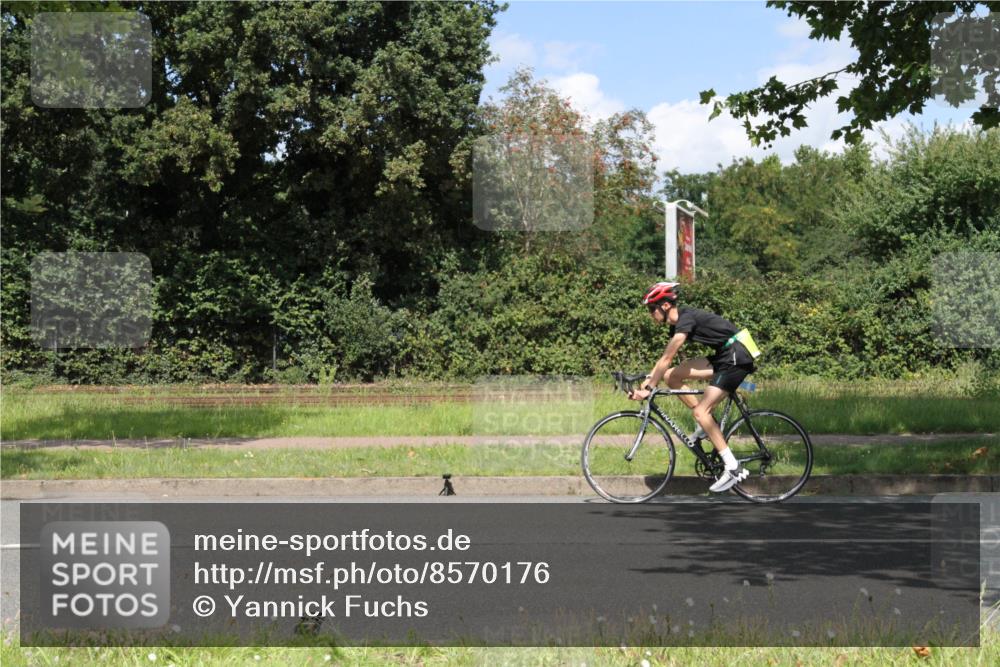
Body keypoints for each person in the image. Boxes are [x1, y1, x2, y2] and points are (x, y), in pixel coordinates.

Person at [628, 281, 756, 493]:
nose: (651, 314)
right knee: (672, 377)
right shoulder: (678, 324)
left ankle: (732, 466)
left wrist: (649, 388)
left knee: (699, 411)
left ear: (665, 306)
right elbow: (665, 364)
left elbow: (667, 356)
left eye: (652, 309)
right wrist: (650, 377)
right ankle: (706, 425)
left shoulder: (685, 319)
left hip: (736, 356)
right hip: (724, 355)